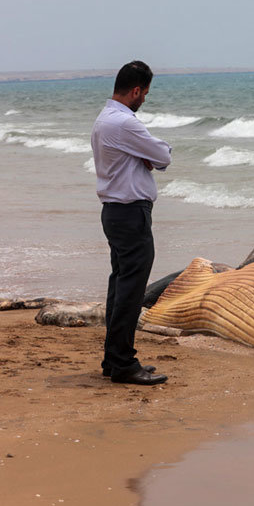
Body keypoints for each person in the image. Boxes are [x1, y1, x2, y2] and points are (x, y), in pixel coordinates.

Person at [91, 60, 171, 385]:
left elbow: (149, 158)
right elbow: (163, 156)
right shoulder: (124, 123)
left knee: (120, 285)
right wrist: (148, 156)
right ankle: (123, 363)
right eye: (145, 94)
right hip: (130, 213)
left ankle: (114, 359)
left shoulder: (104, 119)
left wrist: (143, 157)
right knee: (130, 289)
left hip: (115, 212)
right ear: (136, 90)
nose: (144, 100)